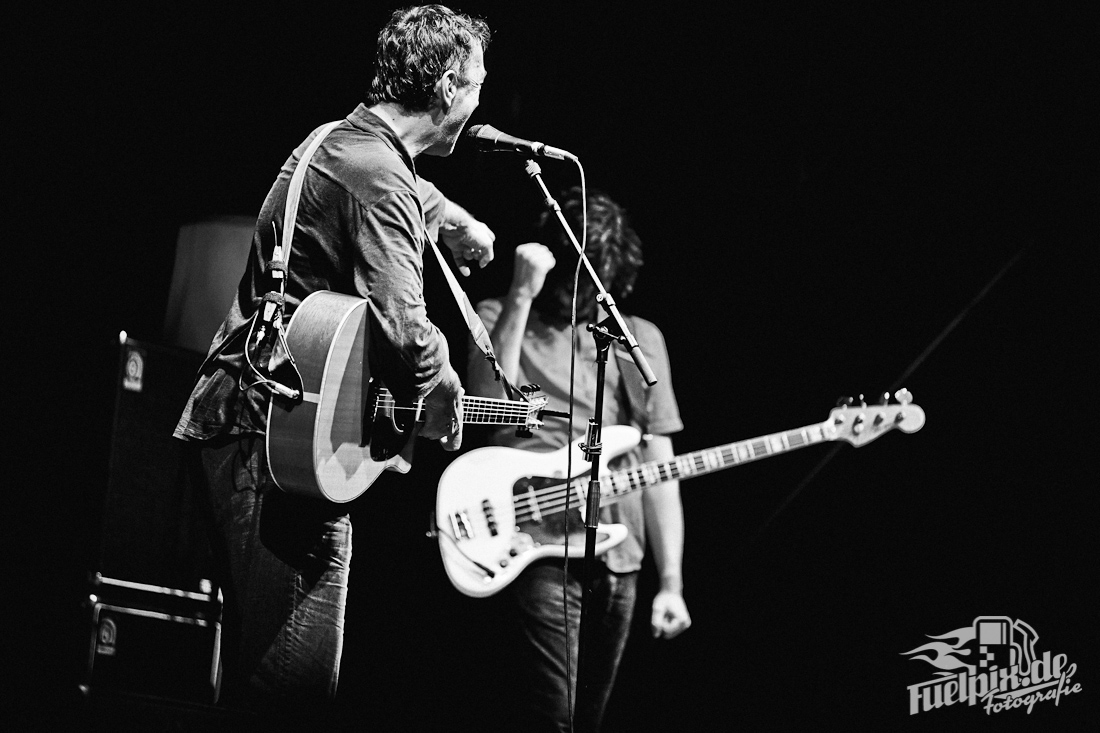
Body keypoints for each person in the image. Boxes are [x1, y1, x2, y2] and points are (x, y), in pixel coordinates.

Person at [172, 5, 494, 723]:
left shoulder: (343, 140)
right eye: (475, 87)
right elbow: (407, 334)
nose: (479, 104)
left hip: (243, 427)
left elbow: (396, 187)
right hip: (276, 447)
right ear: (446, 86)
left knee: (257, 675)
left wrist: (457, 222)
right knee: (291, 691)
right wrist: (442, 383)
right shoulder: (378, 176)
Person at [466, 187, 692, 732]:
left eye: (599, 287)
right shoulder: (497, 315)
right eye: (576, 283)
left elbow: (659, 462)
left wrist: (671, 581)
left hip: (620, 554)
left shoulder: (639, 339)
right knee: (552, 720)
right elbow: (489, 411)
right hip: (536, 542)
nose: (585, 298)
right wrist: (520, 296)